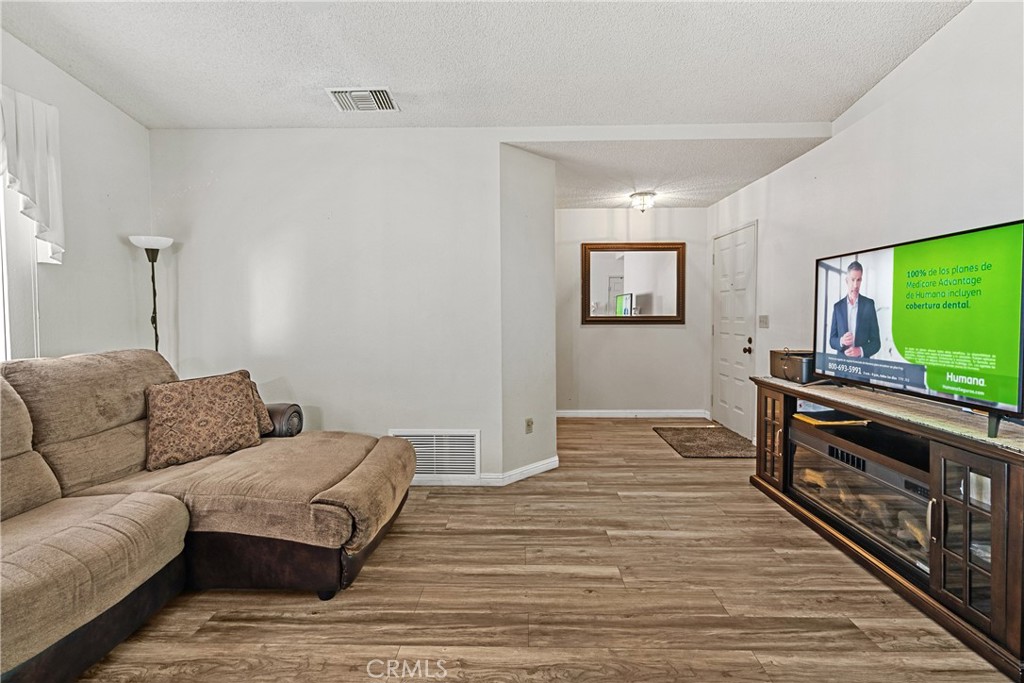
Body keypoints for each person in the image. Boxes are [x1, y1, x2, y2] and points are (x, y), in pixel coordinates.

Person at [829, 261, 881, 358]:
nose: (856, 285)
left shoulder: (869, 305)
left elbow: (876, 343)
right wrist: (841, 341)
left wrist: (860, 351)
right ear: (847, 281)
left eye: (859, 280)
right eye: (852, 280)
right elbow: (832, 340)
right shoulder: (837, 307)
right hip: (841, 367)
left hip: (862, 367)